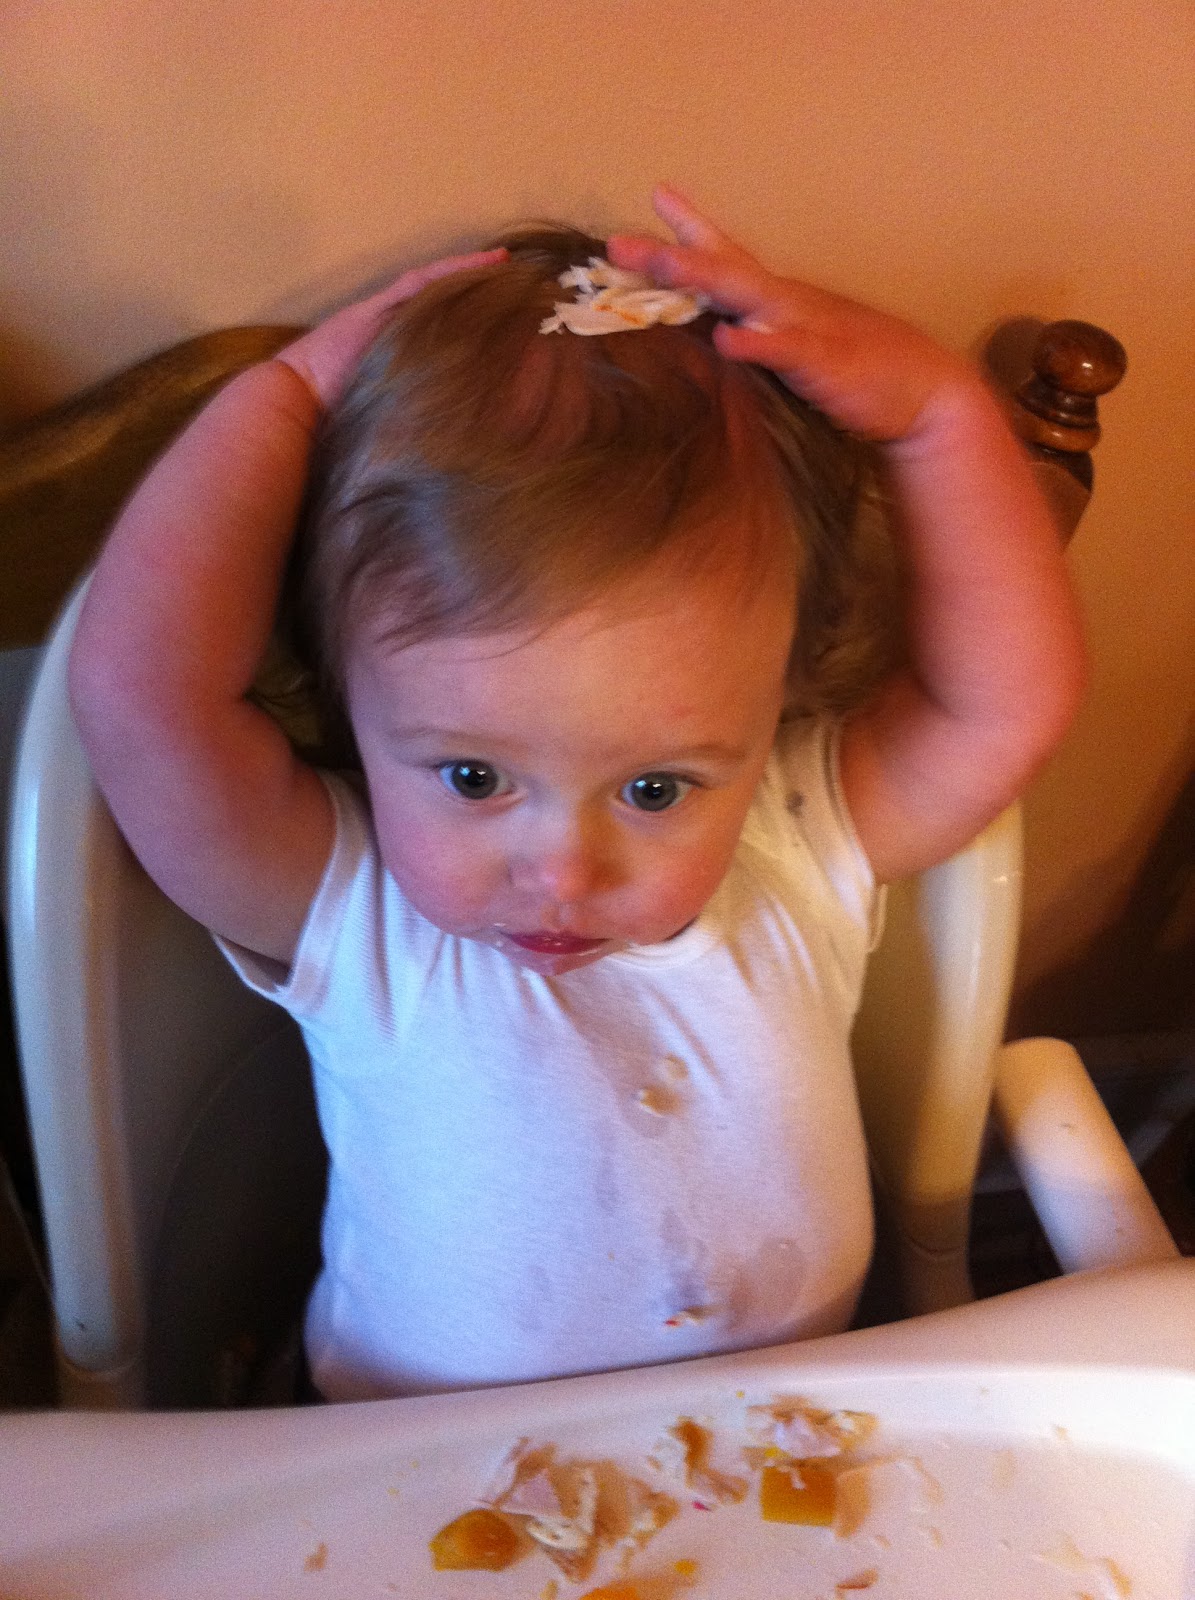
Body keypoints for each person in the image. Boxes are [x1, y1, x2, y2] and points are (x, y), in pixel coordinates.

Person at [68, 187, 1085, 1400]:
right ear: (349, 702)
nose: (562, 870)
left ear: (777, 700)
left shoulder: (797, 845)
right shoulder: (354, 913)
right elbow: (142, 700)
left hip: (789, 1439)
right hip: (413, 1466)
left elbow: (1002, 706)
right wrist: (282, 400)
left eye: (655, 786)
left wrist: (935, 418)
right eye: (473, 777)